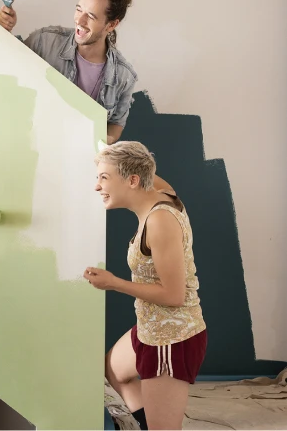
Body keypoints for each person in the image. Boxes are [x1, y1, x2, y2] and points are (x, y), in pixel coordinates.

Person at [84, 141, 207, 430]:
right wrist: (107, 150)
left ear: (133, 181)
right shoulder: (161, 191)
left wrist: (115, 283)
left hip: (172, 337)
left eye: (104, 178)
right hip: (150, 326)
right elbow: (140, 164)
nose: (97, 187)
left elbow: (174, 295)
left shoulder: (160, 221)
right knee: (114, 371)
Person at [23, 0, 137, 145]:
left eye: (90, 16)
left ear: (111, 25)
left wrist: (100, 141)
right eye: (79, 10)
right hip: (28, 143)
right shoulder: (42, 41)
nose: (80, 20)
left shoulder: (124, 76)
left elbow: (116, 124)